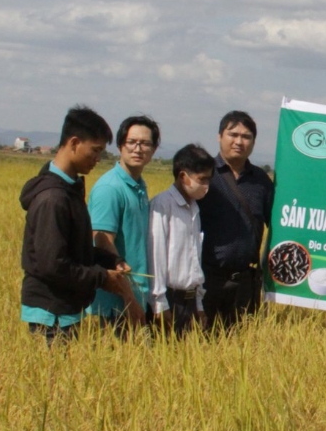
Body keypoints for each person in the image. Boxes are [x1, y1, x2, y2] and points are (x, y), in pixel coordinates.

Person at [19, 106, 131, 341]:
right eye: (95, 150)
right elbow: (54, 265)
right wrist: (103, 278)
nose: (98, 159)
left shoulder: (69, 191)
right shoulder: (54, 199)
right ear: (74, 143)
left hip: (65, 310)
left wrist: (112, 260)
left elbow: (73, 249)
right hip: (51, 316)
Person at [196, 110, 274, 329]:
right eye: (233, 134)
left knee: (243, 346)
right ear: (220, 136)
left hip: (247, 283)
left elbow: (276, 224)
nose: (239, 141)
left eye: (246, 136)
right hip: (208, 281)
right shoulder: (204, 174)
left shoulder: (261, 180)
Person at [87, 114, 157, 330]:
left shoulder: (138, 186)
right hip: (114, 304)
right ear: (120, 145)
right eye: (132, 142)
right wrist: (129, 298)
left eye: (145, 143)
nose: (138, 149)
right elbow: (102, 242)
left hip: (135, 296)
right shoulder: (110, 188)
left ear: (153, 150)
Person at [149, 144, 213, 335]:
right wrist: (159, 304)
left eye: (209, 180)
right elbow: (156, 255)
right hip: (170, 299)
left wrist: (199, 305)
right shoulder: (163, 205)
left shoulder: (194, 208)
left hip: (190, 300)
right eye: (202, 180)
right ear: (183, 176)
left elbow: (196, 257)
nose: (206, 186)